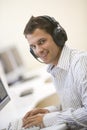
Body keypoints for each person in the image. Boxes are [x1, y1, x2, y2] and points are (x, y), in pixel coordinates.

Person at [22, 15, 87, 130]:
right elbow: (76, 105)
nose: (38, 50)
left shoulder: (80, 63)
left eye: (41, 42)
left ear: (58, 36)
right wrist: (49, 111)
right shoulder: (55, 68)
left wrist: (46, 119)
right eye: (33, 46)